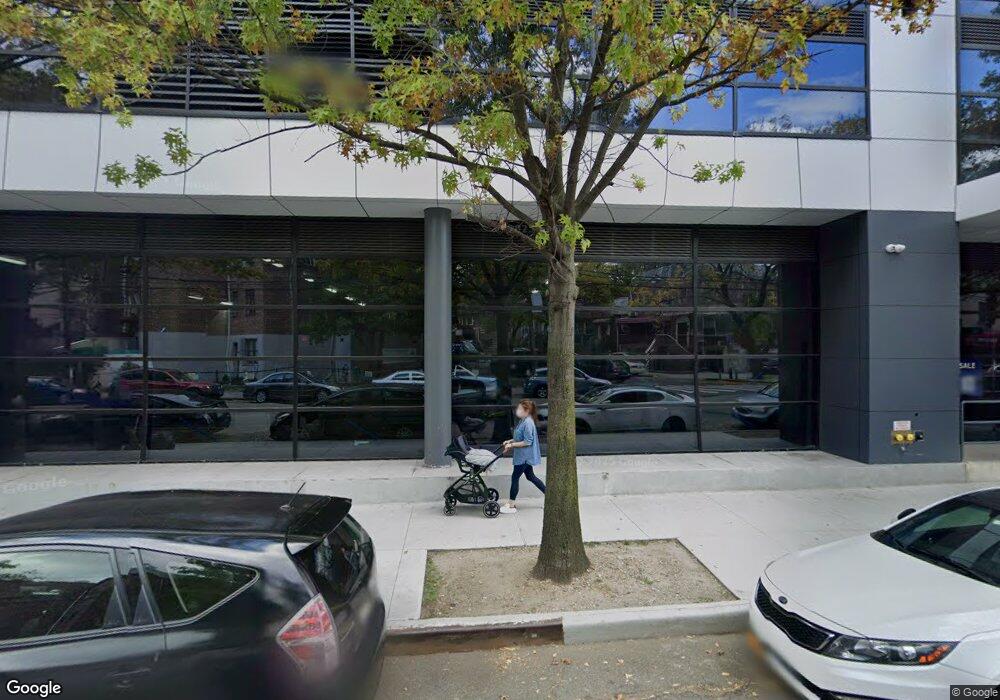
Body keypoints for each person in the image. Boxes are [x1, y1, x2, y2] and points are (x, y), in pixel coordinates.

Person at [500, 399, 545, 514]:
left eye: (520, 408)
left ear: (527, 410)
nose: (517, 410)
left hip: (524, 457)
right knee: (531, 477)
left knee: (515, 477)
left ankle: (511, 504)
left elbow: (527, 442)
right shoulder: (523, 420)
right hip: (523, 456)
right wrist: (510, 441)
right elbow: (519, 437)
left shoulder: (528, 423)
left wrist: (511, 445)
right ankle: (551, 497)